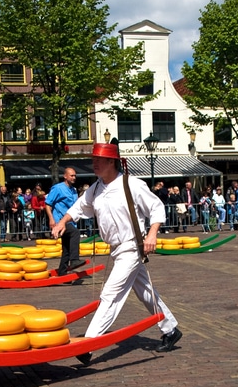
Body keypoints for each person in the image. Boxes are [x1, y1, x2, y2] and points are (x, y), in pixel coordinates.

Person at [50, 142, 182, 362]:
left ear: (111, 162)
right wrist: (62, 221)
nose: (94, 165)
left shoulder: (132, 184)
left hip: (131, 246)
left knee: (110, 294)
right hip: (116, 249)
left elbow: (156, 207)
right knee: (145, 291)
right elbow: (79, 207)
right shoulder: (95, 188)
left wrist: (152, 234)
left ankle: (88, 344)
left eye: (98, 161)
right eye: (93, 161)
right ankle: (171, 329)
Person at [46, 167, 86, 276]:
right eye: (71, 175)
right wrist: (51, 219)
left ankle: (62, 272)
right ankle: (74, 260)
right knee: (75, 233)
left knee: (67, 248)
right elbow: (48, 204)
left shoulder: (73, 190)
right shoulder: (58, 188)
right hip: (59, 222)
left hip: (70, 221)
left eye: (75, 176)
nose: (74, 178)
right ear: (65, 176)